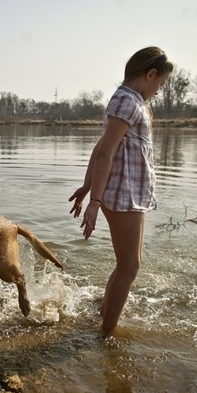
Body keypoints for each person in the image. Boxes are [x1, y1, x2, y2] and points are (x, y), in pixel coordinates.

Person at [69, 46, 174, 336]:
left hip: (128, 194)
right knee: (130, 267)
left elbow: (102, 147)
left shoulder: (128, 101)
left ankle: (105, 318)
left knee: (128, 265)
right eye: (160, 84)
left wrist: (88, 185)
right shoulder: (127, 101)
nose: (159, 90)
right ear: (150, 74)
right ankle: (107, 334)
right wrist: (95, 200)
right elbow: (105, 153)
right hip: (122, 194)